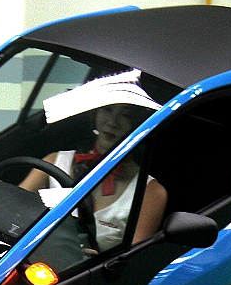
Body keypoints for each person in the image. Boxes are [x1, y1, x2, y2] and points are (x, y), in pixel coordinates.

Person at [18, 103, 168, 248]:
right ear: (95, 113)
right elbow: (13, 210)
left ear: (140, 123)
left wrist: (95, 259)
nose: (112, 122)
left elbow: (132, 260)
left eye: (126, 115)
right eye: (107, 109)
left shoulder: (150, 192)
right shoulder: (55, 162)